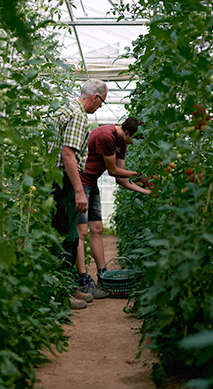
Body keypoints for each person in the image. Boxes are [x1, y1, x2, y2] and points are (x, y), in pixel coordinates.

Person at [48, 78, 108, 309]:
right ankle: (61, 292)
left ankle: (66, 287)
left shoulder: (64, 108)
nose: (100, 106)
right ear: (94, 97)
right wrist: (79, 191)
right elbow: (68, 155)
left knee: (63, 233)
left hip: (52, 178)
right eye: (101, 102)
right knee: (66, 237)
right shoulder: (78, 115)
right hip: (62, 182)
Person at [76, 117, 152, 297]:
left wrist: (145, 191)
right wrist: (140, 174)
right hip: (80, 183)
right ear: (127, 132)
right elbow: (113, 171)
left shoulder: (121, 142)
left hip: (91, 183)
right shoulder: (106, 135)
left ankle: (103, 275)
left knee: (98, 228)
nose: (134, 143)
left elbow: (121, 179)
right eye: (135, 138)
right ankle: (83, 280)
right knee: (81, 232)